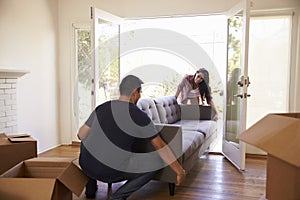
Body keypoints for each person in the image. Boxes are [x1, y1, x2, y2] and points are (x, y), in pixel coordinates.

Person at [78, 75, 186, 200]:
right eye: (140, 92)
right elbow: (160, 146)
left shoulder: (102, 107)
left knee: (88, 139)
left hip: (86, 165)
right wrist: (179, 171)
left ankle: (90, 189)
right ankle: (117, 197)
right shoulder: (139, 116)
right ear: (135, 93)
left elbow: (80, 135)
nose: (140, 96)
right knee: (156, 162)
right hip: (111, 172)